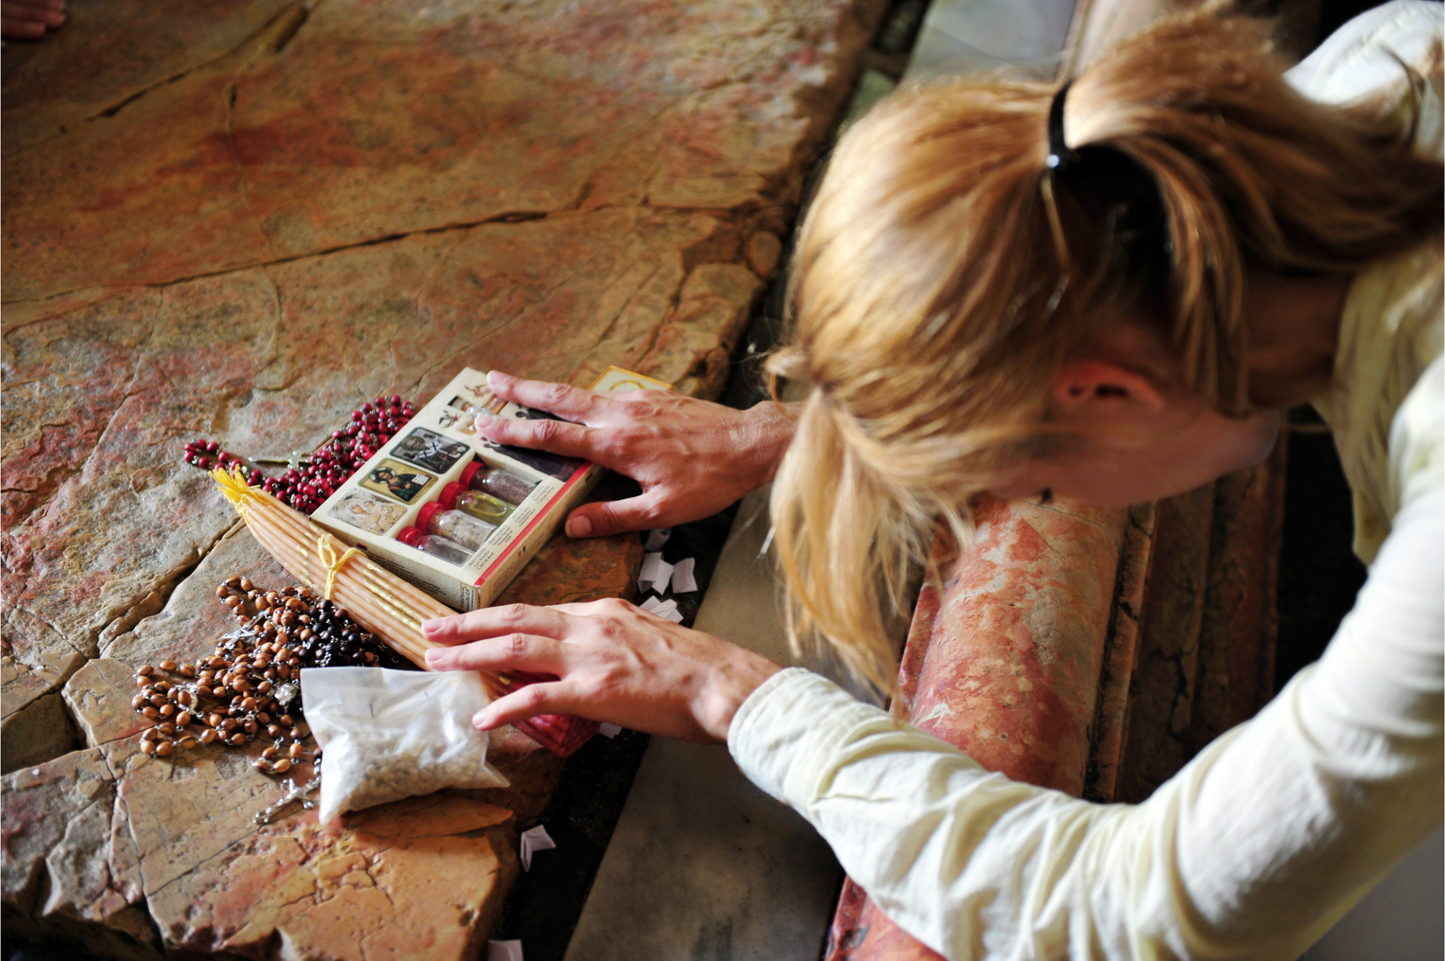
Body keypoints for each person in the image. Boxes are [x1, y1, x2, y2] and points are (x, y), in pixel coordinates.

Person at [424, 3, 1443, 958]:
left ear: (1108, 391)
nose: (1019, 493)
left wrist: (728, 688)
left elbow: (1134, 904)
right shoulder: (1379, 73)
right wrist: (792, 435)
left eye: (1025, 475)